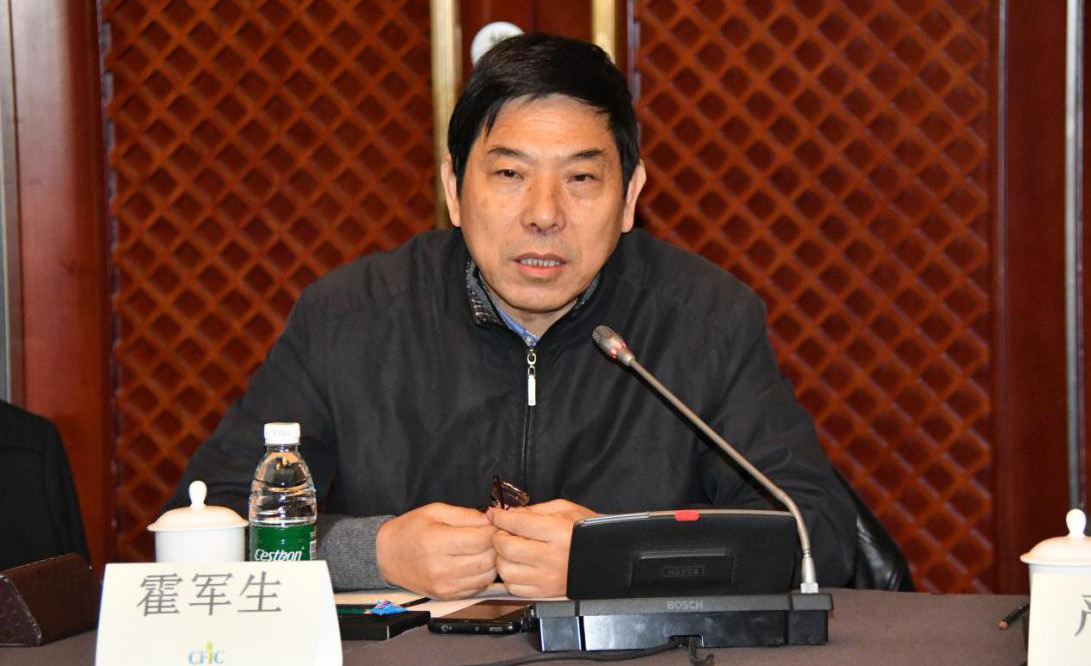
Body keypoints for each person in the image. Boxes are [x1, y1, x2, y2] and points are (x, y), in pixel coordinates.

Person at [167, 33, 856, 599]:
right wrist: (374, 551)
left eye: (580, 178)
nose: (544, 214)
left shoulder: (705, 320)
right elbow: (209, 524)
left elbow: (816, 535)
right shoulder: (347, 318)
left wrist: (616, 559)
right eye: (509, 174)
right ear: (453, 188)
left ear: (629, 196)